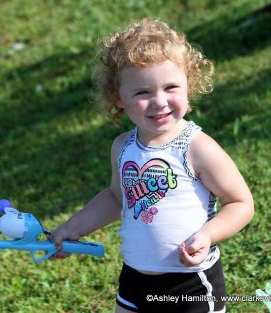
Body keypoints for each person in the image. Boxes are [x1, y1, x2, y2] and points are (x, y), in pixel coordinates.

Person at [52, 18, 254, 313]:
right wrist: (73, 227)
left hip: (189, 282)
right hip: (135, 278)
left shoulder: (197, 147)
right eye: (142, 93)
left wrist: (208, 235)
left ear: (189, 84)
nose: (159, 101)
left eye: (171, 87)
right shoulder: (123, 147)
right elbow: (115, 197)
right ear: (117, 98)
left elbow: (240, 202)